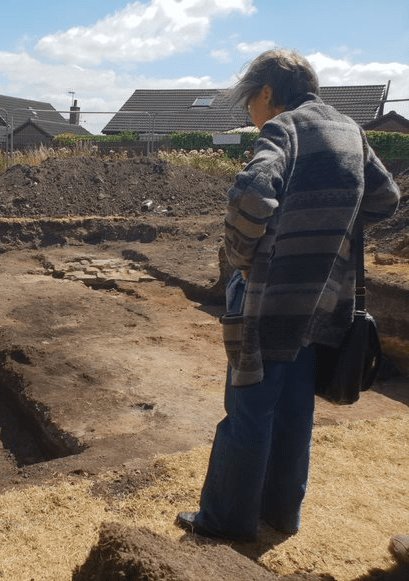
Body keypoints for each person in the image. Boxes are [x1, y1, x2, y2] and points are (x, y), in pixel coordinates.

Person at [175, 49, 400, 542]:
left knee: (249, 410)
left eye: (250, 102)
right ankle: (281, 515)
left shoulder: (284, 129)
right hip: (323, 302)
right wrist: (331, 230)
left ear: (268, 92)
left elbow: (253, 193)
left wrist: (240, 254)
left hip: (270, 299)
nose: (251, 113)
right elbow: (386, 198)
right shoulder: (350, 130)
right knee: (296, 411)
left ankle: (226, 521)